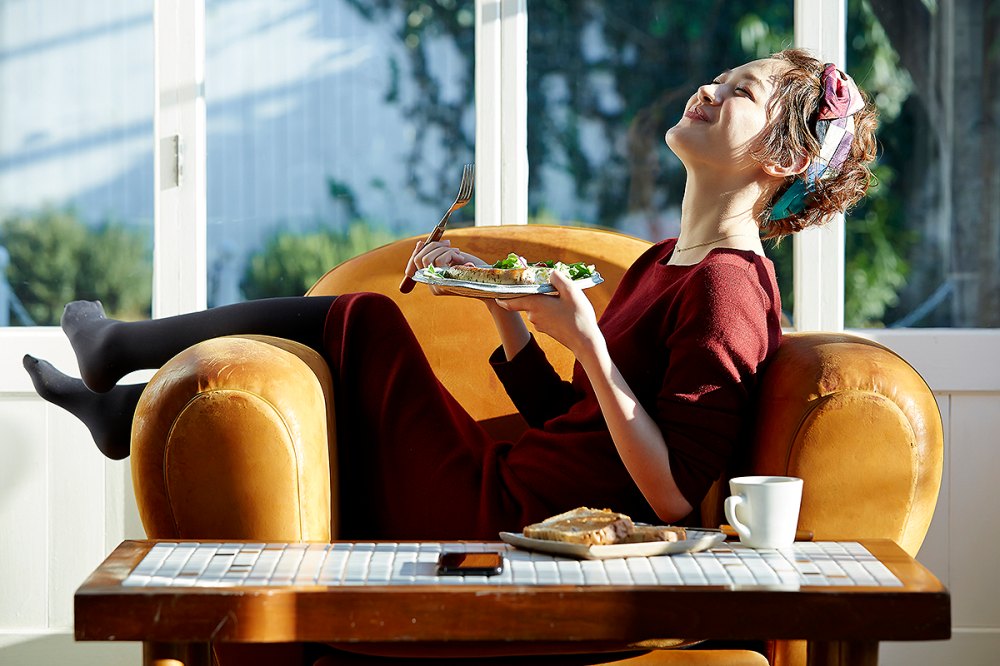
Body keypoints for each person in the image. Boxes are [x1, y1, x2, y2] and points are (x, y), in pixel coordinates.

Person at [24, 48, 877, 540]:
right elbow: (575, 428)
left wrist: (588, 347)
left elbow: (677, 498)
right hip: (516, 478)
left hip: (515, 515)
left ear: (785, 161)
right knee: (370, 335)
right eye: (723, 75)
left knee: (370, 321)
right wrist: (514, 328)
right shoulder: (666, 262)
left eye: (744, 92)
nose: (712, 88)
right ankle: (123, 403)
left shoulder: (730, 291)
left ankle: (125, 353)